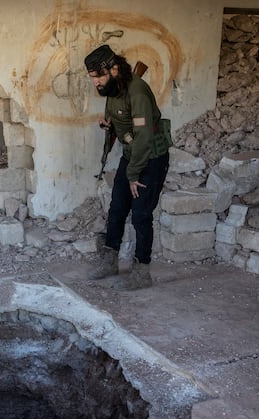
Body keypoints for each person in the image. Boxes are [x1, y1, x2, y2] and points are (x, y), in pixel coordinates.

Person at [84, 44, 171, 290]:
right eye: (93, 78)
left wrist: (133, 175)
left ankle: (142, 272)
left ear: (114, 69)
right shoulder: (114, 88)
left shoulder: (138, 91)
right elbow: (124, 120)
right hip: (132, 155)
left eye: (98, 76)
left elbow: (143, 138)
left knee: (141, 215)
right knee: (117, 208)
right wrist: (109, 125)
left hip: (151, 158)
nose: (96, 83)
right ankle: (110, 261)